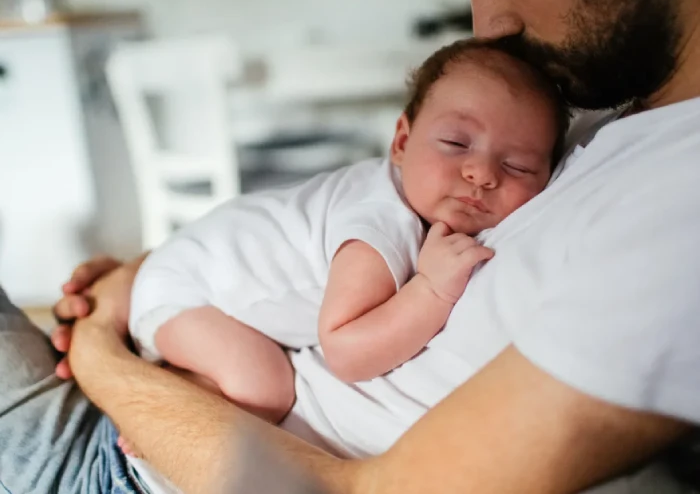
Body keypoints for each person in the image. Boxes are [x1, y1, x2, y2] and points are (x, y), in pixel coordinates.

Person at [2, 0, 700, 492]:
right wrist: (144, 279)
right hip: (151, 392)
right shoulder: (596, 115)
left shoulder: (674, 207)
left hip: (118, 463)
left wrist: (100, 354)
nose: (490, 25)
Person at [122, 39, 566, 441]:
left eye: (519, 166)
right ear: (402, 143)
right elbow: (347, 354)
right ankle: (154, 413)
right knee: (266, 388)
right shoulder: (381, 225)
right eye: (455, 142)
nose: (482, 174)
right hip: (184, 289)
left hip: (194, 266)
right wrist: (431, 290)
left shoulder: (415, 200)